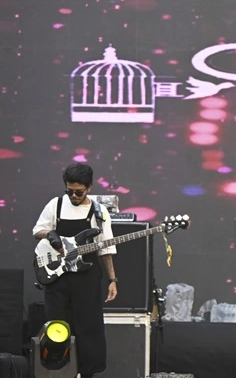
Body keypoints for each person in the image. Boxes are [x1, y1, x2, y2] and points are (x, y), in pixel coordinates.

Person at [32, 162, 117, 378]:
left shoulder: (99, 212)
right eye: (69, 191)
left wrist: (112, 280)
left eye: (79, 192)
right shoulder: (56, 205)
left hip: (87, 278)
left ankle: (87, 373)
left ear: (89, 187)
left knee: (89, 326)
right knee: (57, 326)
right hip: (58, 278)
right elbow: (38, 230)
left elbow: (106, 249)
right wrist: (50, 235)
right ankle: (58, 371)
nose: (73, 196)